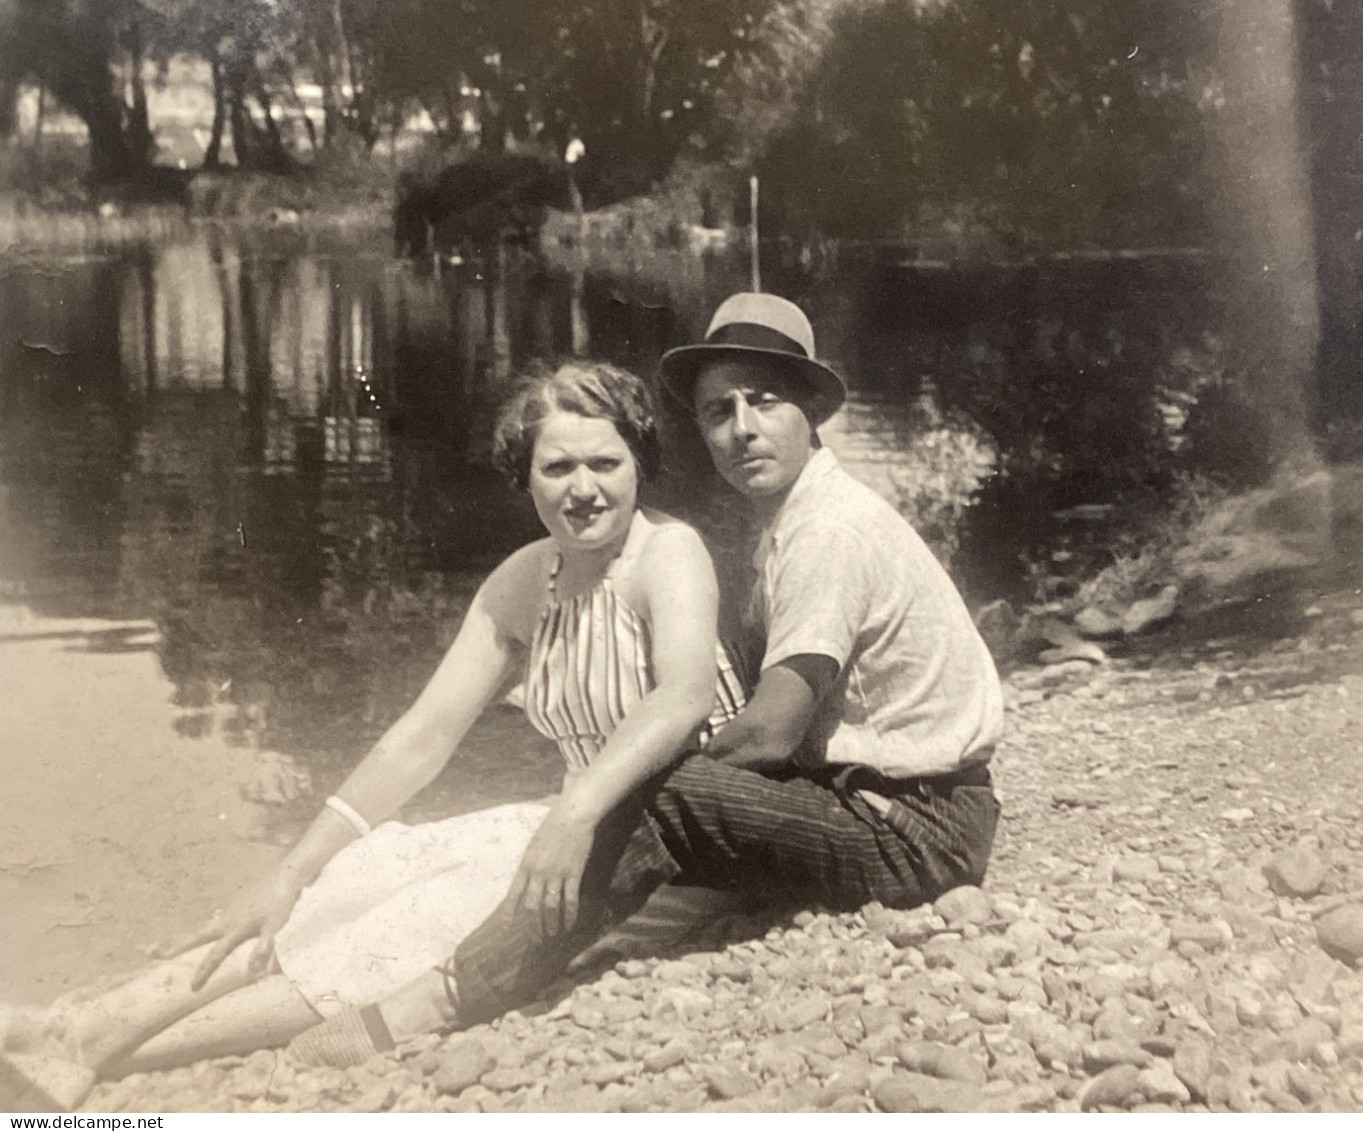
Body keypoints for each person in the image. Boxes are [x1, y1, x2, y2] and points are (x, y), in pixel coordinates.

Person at [271, 291, 1005, 1065]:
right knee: (656, 787)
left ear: (810, 413)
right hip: (893, 805)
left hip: (914, 830)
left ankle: (447, 994)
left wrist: (612, 803)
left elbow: (774, 729)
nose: (742, 429)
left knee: (663, 785)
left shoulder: (828, 530)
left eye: (765, 401)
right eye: (719, 412)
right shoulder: (796, 518)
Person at [0, 360, 746, 1110]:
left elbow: (681, 699)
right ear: (525, 477)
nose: (583, 487)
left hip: (672, 846)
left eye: (604, 462)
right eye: (556, 466)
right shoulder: (528, 578)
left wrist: (575, 810)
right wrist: (289, 871)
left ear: (638, 465)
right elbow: (421, 736)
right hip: (577, 825)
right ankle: (79, 1027)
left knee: (417, 920)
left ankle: (97, 1047)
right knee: (361, 871)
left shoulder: (669, 553)